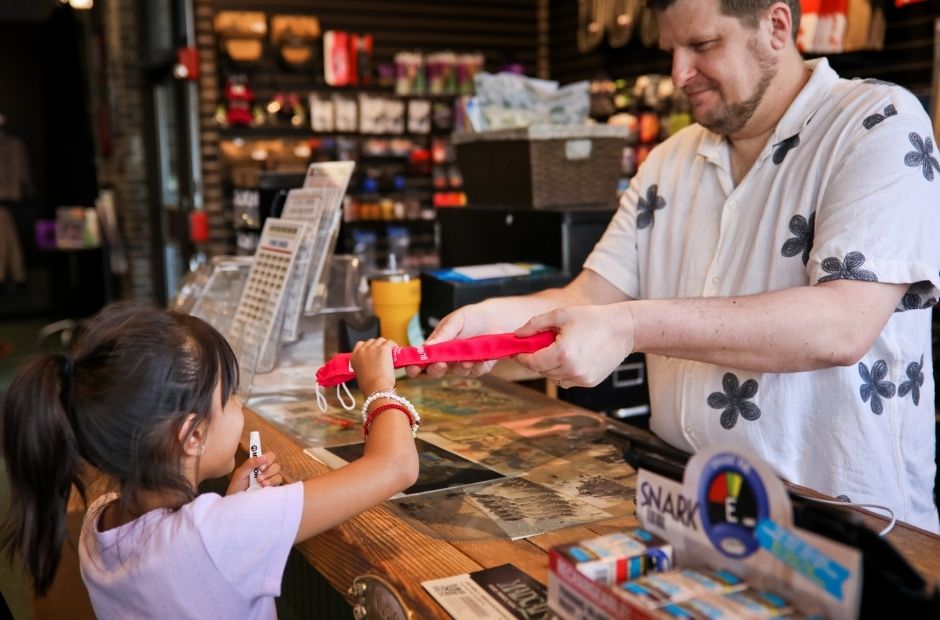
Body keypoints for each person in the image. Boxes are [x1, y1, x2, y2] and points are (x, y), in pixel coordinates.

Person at [409, 0, 940, 532]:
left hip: (847, 528)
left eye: (703, 46)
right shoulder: (671, 158)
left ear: (776, 27)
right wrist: (493, 322)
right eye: (672, 51)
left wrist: (632, 327)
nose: (678, 75)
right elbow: (590, 297)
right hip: (687, 508)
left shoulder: (877, 123)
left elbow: (841, 325)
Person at [1, 301, 418, 617]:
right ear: (194, 435)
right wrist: (380, 383)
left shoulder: (99, 523)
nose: (240, 408)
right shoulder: (213, 535)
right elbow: (396, 466)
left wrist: (229, 509)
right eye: (231, 396)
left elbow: (195, 553)